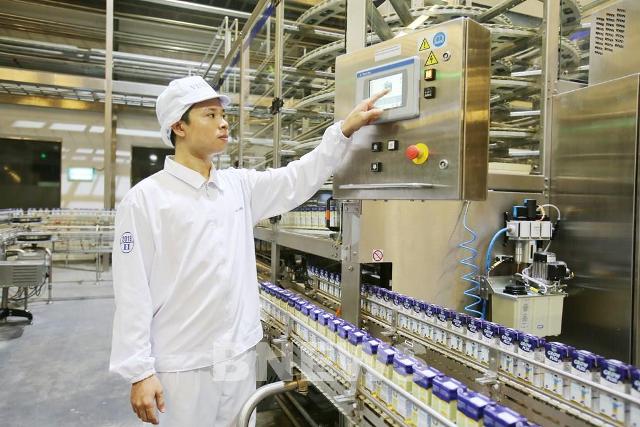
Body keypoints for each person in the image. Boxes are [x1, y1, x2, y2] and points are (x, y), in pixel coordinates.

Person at [109, 75, 387, 426]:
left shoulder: (237, 186)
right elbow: (132, 290)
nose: (224, 123)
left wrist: (343, 131)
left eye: (223, 115)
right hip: (181, 361)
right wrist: (139, 371)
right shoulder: (146, 200)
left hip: (236, 352)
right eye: (210, 115)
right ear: (179, 126)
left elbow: (296, 178)